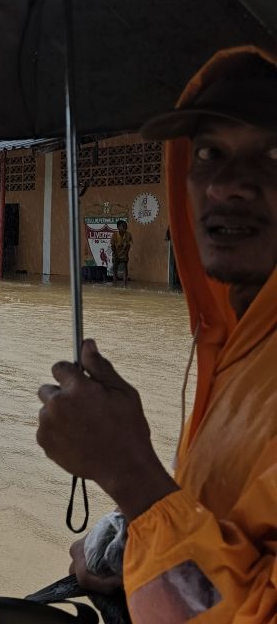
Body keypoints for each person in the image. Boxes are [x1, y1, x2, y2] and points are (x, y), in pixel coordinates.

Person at [36, 46, 277, 623]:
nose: (227, 186)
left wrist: (131, 475)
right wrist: (135, 547)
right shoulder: (239, 341)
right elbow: (234, 553)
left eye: (274, 154)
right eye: (209, 153)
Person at [110, 219, 133, 285]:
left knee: (125, 266)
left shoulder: (129, 235)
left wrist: (126, 253)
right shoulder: (114, 235)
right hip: (116, 253)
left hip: (124, 253)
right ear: (118, 227)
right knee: (115, 267)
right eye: (122, 226)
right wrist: (115, 255)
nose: (124, 227)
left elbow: (129, 245)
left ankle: (125, 281)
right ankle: (115, 280)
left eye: (125, 226)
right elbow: (112, 246)